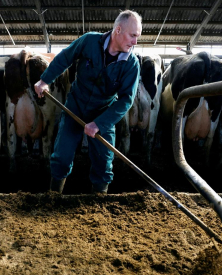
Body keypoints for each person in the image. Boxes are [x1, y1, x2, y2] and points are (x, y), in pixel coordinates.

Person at [34, 10, 142, 194]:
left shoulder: (131, 64)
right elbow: (65, 57)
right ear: (118, 30)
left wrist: (99, 123)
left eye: (137, 37)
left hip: (103, 112)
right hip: (74, 107)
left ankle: (99, 203)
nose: (135, 42)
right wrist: (45, 80)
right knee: (62, 155)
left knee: (103, 163)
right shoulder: (90, 41)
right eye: (133, 35)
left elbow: (126, 100)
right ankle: (53, 198)